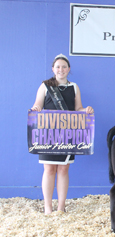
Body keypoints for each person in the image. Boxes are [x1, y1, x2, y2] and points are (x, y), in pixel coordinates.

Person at [31, 54, 94, 214]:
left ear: (69, 69)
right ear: (53, 69)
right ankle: (48, 207)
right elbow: (37, 105)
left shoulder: (74, 87)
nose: (61, 69)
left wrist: (85, 110)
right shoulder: (45, 86)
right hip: (48, 134)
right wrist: (36, 109)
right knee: (49, 170)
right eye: (58, 67)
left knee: (64, 170)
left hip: (67, 135)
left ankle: (61, 207)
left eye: (64, 67)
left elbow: (77, 108)